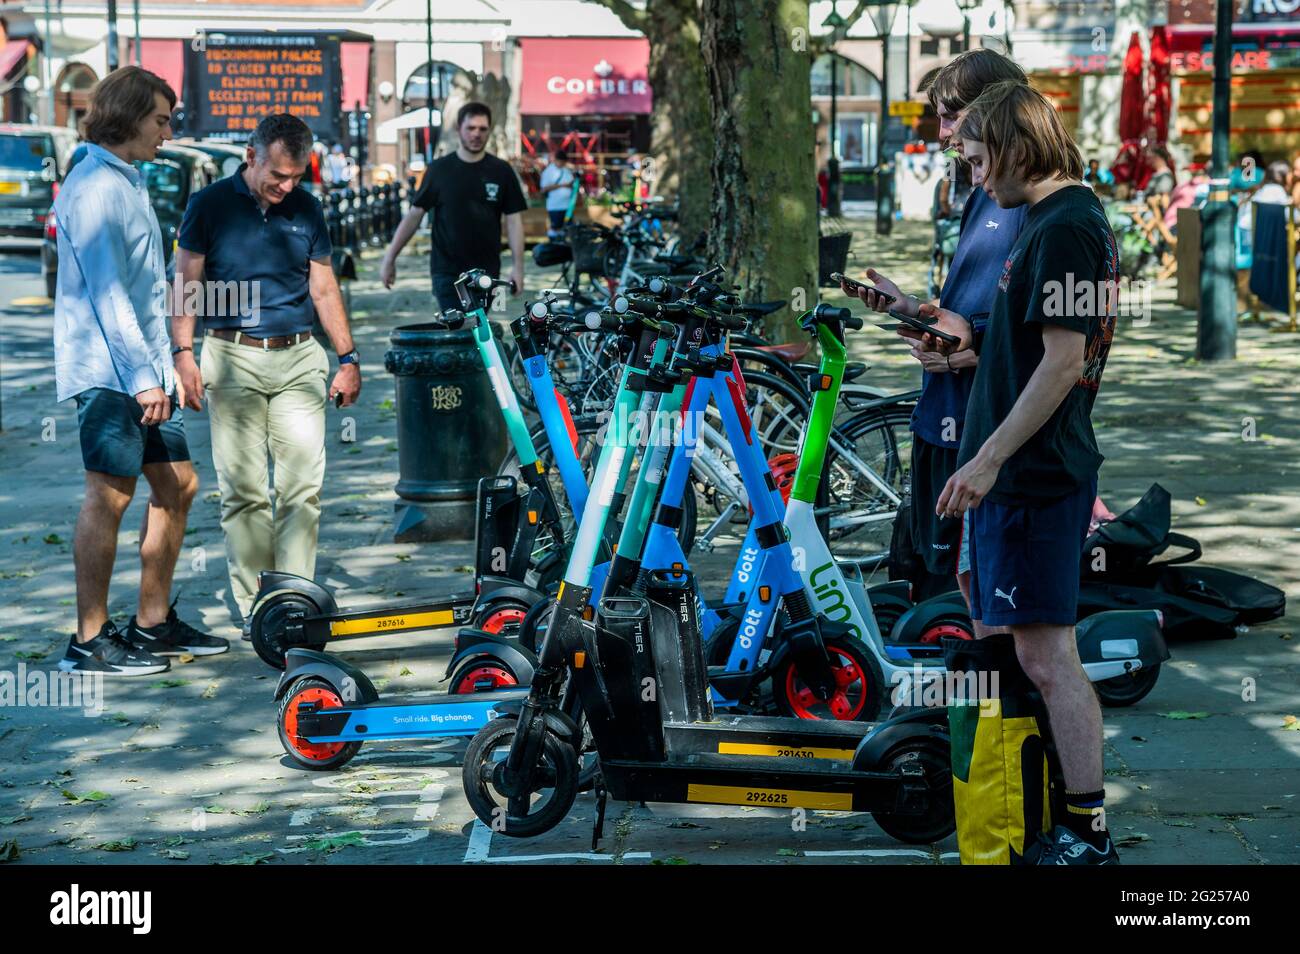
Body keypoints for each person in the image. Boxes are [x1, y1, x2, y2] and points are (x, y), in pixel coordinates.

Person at [906, 80, 1121, 864]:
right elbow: (1026, 350)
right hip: (1008, 476)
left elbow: (1065, 363)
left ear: (1016, 145)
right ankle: (1022, 812)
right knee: (1012, 646)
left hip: (1033, 477)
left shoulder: (1067, 225)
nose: (972, 173)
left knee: (1046, 655)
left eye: (977, 154)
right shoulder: (1044, 220)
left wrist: (990, 459)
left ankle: (1087, 829)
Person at [53, 67, 227, 675]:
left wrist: (171, 361)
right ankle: (89, 640)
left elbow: (146, 290)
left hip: (141, 369)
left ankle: (151, 623)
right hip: (110, 373)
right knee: (108, 496)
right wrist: (143, 378)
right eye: (160, 119)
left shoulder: (124, 180)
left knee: (177, 485)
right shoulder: (95, 186)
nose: (168, 131)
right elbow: (107, 294)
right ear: (127, 117)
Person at [841, 48, 1029, 604]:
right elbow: (971, 309)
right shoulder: (982, 192)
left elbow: (1048, 332)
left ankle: (980, 689)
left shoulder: (1025, 199)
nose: (943, 131)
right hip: (941, 415)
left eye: (951, 115)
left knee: (967, 597)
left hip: (979, 428)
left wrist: (974, 346)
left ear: (994, 110)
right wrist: (914, 309)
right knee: (934, 580)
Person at [172, 113, 362, 627]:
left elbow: (324, 287)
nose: (287, 186)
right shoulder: (208, 205)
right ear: (251, 156)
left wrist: (347, 358)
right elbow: (187, 280)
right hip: (231, 357)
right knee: (245, 491)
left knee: (302, 488)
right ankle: (261, 607)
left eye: (297, 176)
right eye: (278, 175)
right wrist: (182, 353)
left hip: (300, 355)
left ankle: (295, 602)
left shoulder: (307, 208)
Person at [379, 102, 527, 312]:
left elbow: (514, 222)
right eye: (471, 128)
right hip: (447, 271)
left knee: (480, 334)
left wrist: (518, 269)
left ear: (489, 131)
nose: (476, 134)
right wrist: (389, 258)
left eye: (482, 129)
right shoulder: (439, 170)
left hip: (487, 271)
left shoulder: (501, 171)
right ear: (459, 129)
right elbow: (414, 215)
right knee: (459, 332)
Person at [539, 150, 576, 239]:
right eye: (561, 161)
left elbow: (571, 185)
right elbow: (544, 189)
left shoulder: (566, 170)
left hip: (567, 206)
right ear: (556, 160)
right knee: (556, 228)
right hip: (555, 206)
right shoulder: (549, 171)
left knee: (568, 228)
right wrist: (563, 185)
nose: (563, 163)